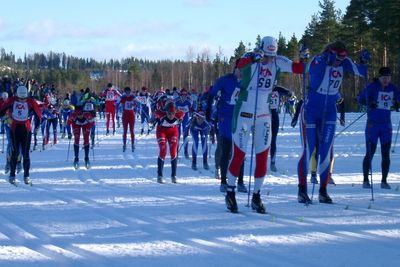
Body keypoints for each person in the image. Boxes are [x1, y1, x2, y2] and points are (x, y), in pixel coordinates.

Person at [225, 36, 304, 214]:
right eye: (266, 56)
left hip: (263, 115)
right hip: (244, 113)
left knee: (262, 157)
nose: (269, 60)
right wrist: (254, 58)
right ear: (260, 49)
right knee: (239, 154)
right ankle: (230, 192)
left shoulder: (277, 61)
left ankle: (257, 195)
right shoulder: (251, 56)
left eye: (271, 56)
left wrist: (304, 58)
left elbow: (299, 69)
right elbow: (238, 69)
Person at [297, 41, 368, 204]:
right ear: (329, 53)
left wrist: (364, 62)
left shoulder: (344, 62)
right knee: (309, 150)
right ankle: (302, 190)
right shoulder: (318, 60)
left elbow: (361, 72)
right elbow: (307, 69)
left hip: (329, 111)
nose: (340, 61)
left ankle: (323, 190)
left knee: (326, 150)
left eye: (343, 57)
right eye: (337, 57)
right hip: (311, 109)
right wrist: (304, 58)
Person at [207, 61, 247, 193]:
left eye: (245, 69)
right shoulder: (226, 80)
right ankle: (224, 181)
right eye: (240, 69)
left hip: (241, 117)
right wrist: (208, 110)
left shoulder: (248, 81)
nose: (242, 72)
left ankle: (240, 181)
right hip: (226, 117)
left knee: (241, 150)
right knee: (226, 148)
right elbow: (212, 93)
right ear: (235, 68)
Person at [358, 67, 400, 189]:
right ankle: (366, 180)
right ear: (380, 77)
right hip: (373, 124)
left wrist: (397, 103)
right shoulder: (372, 87)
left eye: (388, 77)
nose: (386, 80)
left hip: (386, 125)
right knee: (370, 152)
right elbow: (360, 99)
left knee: (385, 153)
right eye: (383, 77)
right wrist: (369, 102)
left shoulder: (392, 88)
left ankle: (384, 181)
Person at [0, 85, 41, 185]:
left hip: (26, 129)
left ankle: (26, 176)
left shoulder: (31, 101)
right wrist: (3, 118)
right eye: (20, 98)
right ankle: (12, 175)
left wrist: (37, 126)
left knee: (25, 154)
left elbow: (38, 114)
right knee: (14, 153)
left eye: (24, 98)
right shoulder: (12, 100)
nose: (22, 100)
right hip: (14, 128)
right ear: (17, 95)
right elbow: (2, 109)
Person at [153, 100, 184, 183]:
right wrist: (154, 119)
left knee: (173, 150)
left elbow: (182, 113)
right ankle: (160, 175)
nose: (171, 115)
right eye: (169, 113)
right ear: (165, 112)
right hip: (161, 131)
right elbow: (155, 113)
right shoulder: (161, 114)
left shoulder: (179, 114)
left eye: (173, 113)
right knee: (163, 149)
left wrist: (181, 119)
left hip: (173, 131)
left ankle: (174, 175)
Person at [269, 85, 293, 172]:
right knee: (263, 141)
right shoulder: (262, 87)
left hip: (274, 117)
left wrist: (288, 94)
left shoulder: (277, 89)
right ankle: (261, 161)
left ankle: (272, 162)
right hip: (263, 116)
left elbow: (289, 93)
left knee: (273, 140)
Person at [175, 88, 192, 158]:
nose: (184, 96)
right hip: (178, 118)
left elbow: (192, 109)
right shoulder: (177, 101)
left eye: (185, 94)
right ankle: (176, 151)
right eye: (182, 94)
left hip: (186, 119)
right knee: (177, 135)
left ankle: (186, 151)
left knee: (185, 135)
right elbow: (174, 109)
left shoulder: (189, 102)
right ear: (180, 95)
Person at [120, 86, 136, 152]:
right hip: (125, 116)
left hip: (132, 115)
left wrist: (134, 104)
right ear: (125, 92)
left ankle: (132, 144)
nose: (127, 93)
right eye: (126, 92)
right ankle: (124, 144)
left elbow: (137, 104)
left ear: (130, 92)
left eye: (128, 92)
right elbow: (120, 104)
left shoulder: (133, 97)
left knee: (132, 130)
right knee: (125, 131)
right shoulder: (123, 97)